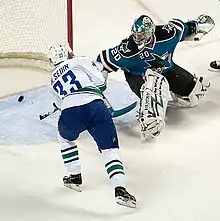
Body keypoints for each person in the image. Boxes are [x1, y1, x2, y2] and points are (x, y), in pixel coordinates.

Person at [97, 14, 213, 140]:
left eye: (141, 35)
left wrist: (199, 26)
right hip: (139, 78)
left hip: (167, 70)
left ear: (150, 32)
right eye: (135, 34)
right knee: (152, 117)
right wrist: (98, 82)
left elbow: (187, 28)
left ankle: (166, 98)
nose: (137, 38)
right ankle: (149, 114)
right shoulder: (127, 50)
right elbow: (102, 62)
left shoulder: (168, 34)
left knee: (194, 95)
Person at [48, 44, 137, 208]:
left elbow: (60, 104)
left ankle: (74, 176)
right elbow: (101, 84)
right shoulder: (79, 60)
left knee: (64, 138)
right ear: (68, 54)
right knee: (110, 150)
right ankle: (120, 189)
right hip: (96, 107)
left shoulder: (52, 80)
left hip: (70, 112)